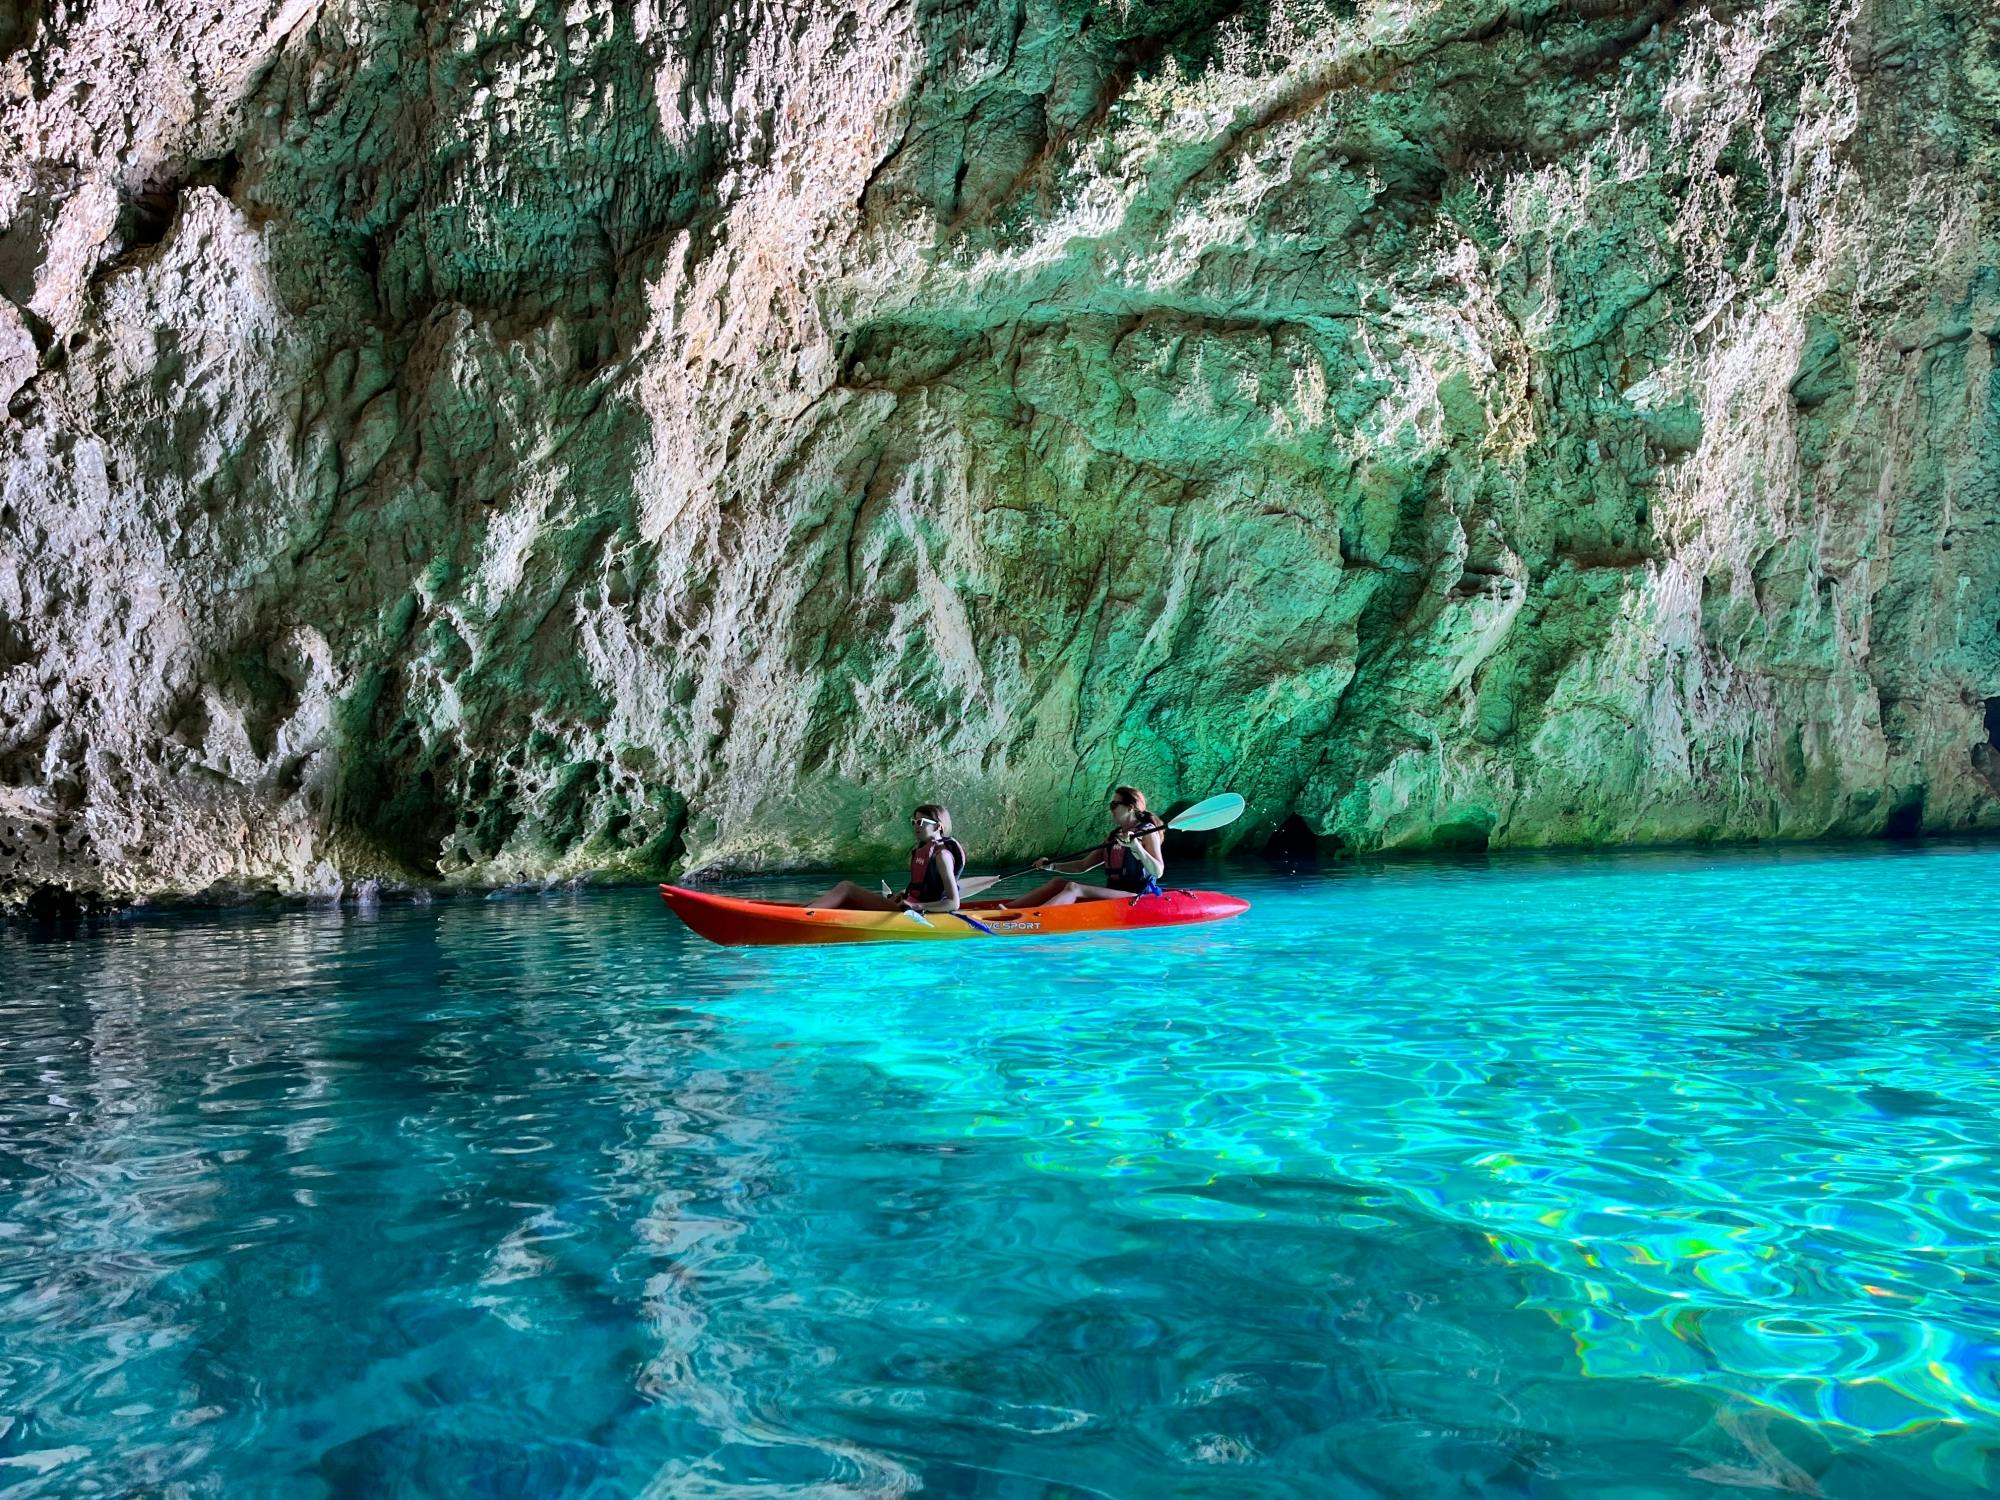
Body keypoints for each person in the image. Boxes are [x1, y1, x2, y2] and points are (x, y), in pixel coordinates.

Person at [1003, 786, 1166, 907]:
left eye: (1115, 805)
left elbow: (1157, 871)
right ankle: (1005, 911)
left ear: (1130, 808)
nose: (1111, 809)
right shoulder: (1114, 835)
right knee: (1056, 884)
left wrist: (1136, 846)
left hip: (1138, 896)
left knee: (1074, 888)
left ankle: (1034, 919)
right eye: (1111, 804)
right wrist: (1051, 866)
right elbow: (1083, 865)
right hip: (1115, 893)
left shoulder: (1147, 832)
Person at [808, 804, 965, 912]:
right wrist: (904, 894)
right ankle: (803, 911)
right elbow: (924, 887)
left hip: (913, 911)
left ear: (938, 826)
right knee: (847, 898)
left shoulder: (942, 855)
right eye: (914, 822)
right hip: (906, 904)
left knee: (846, 888)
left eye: (921, 822)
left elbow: (953, 903)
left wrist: (916, 906)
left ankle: (804, 915)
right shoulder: (923, 850)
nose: (916, 826)